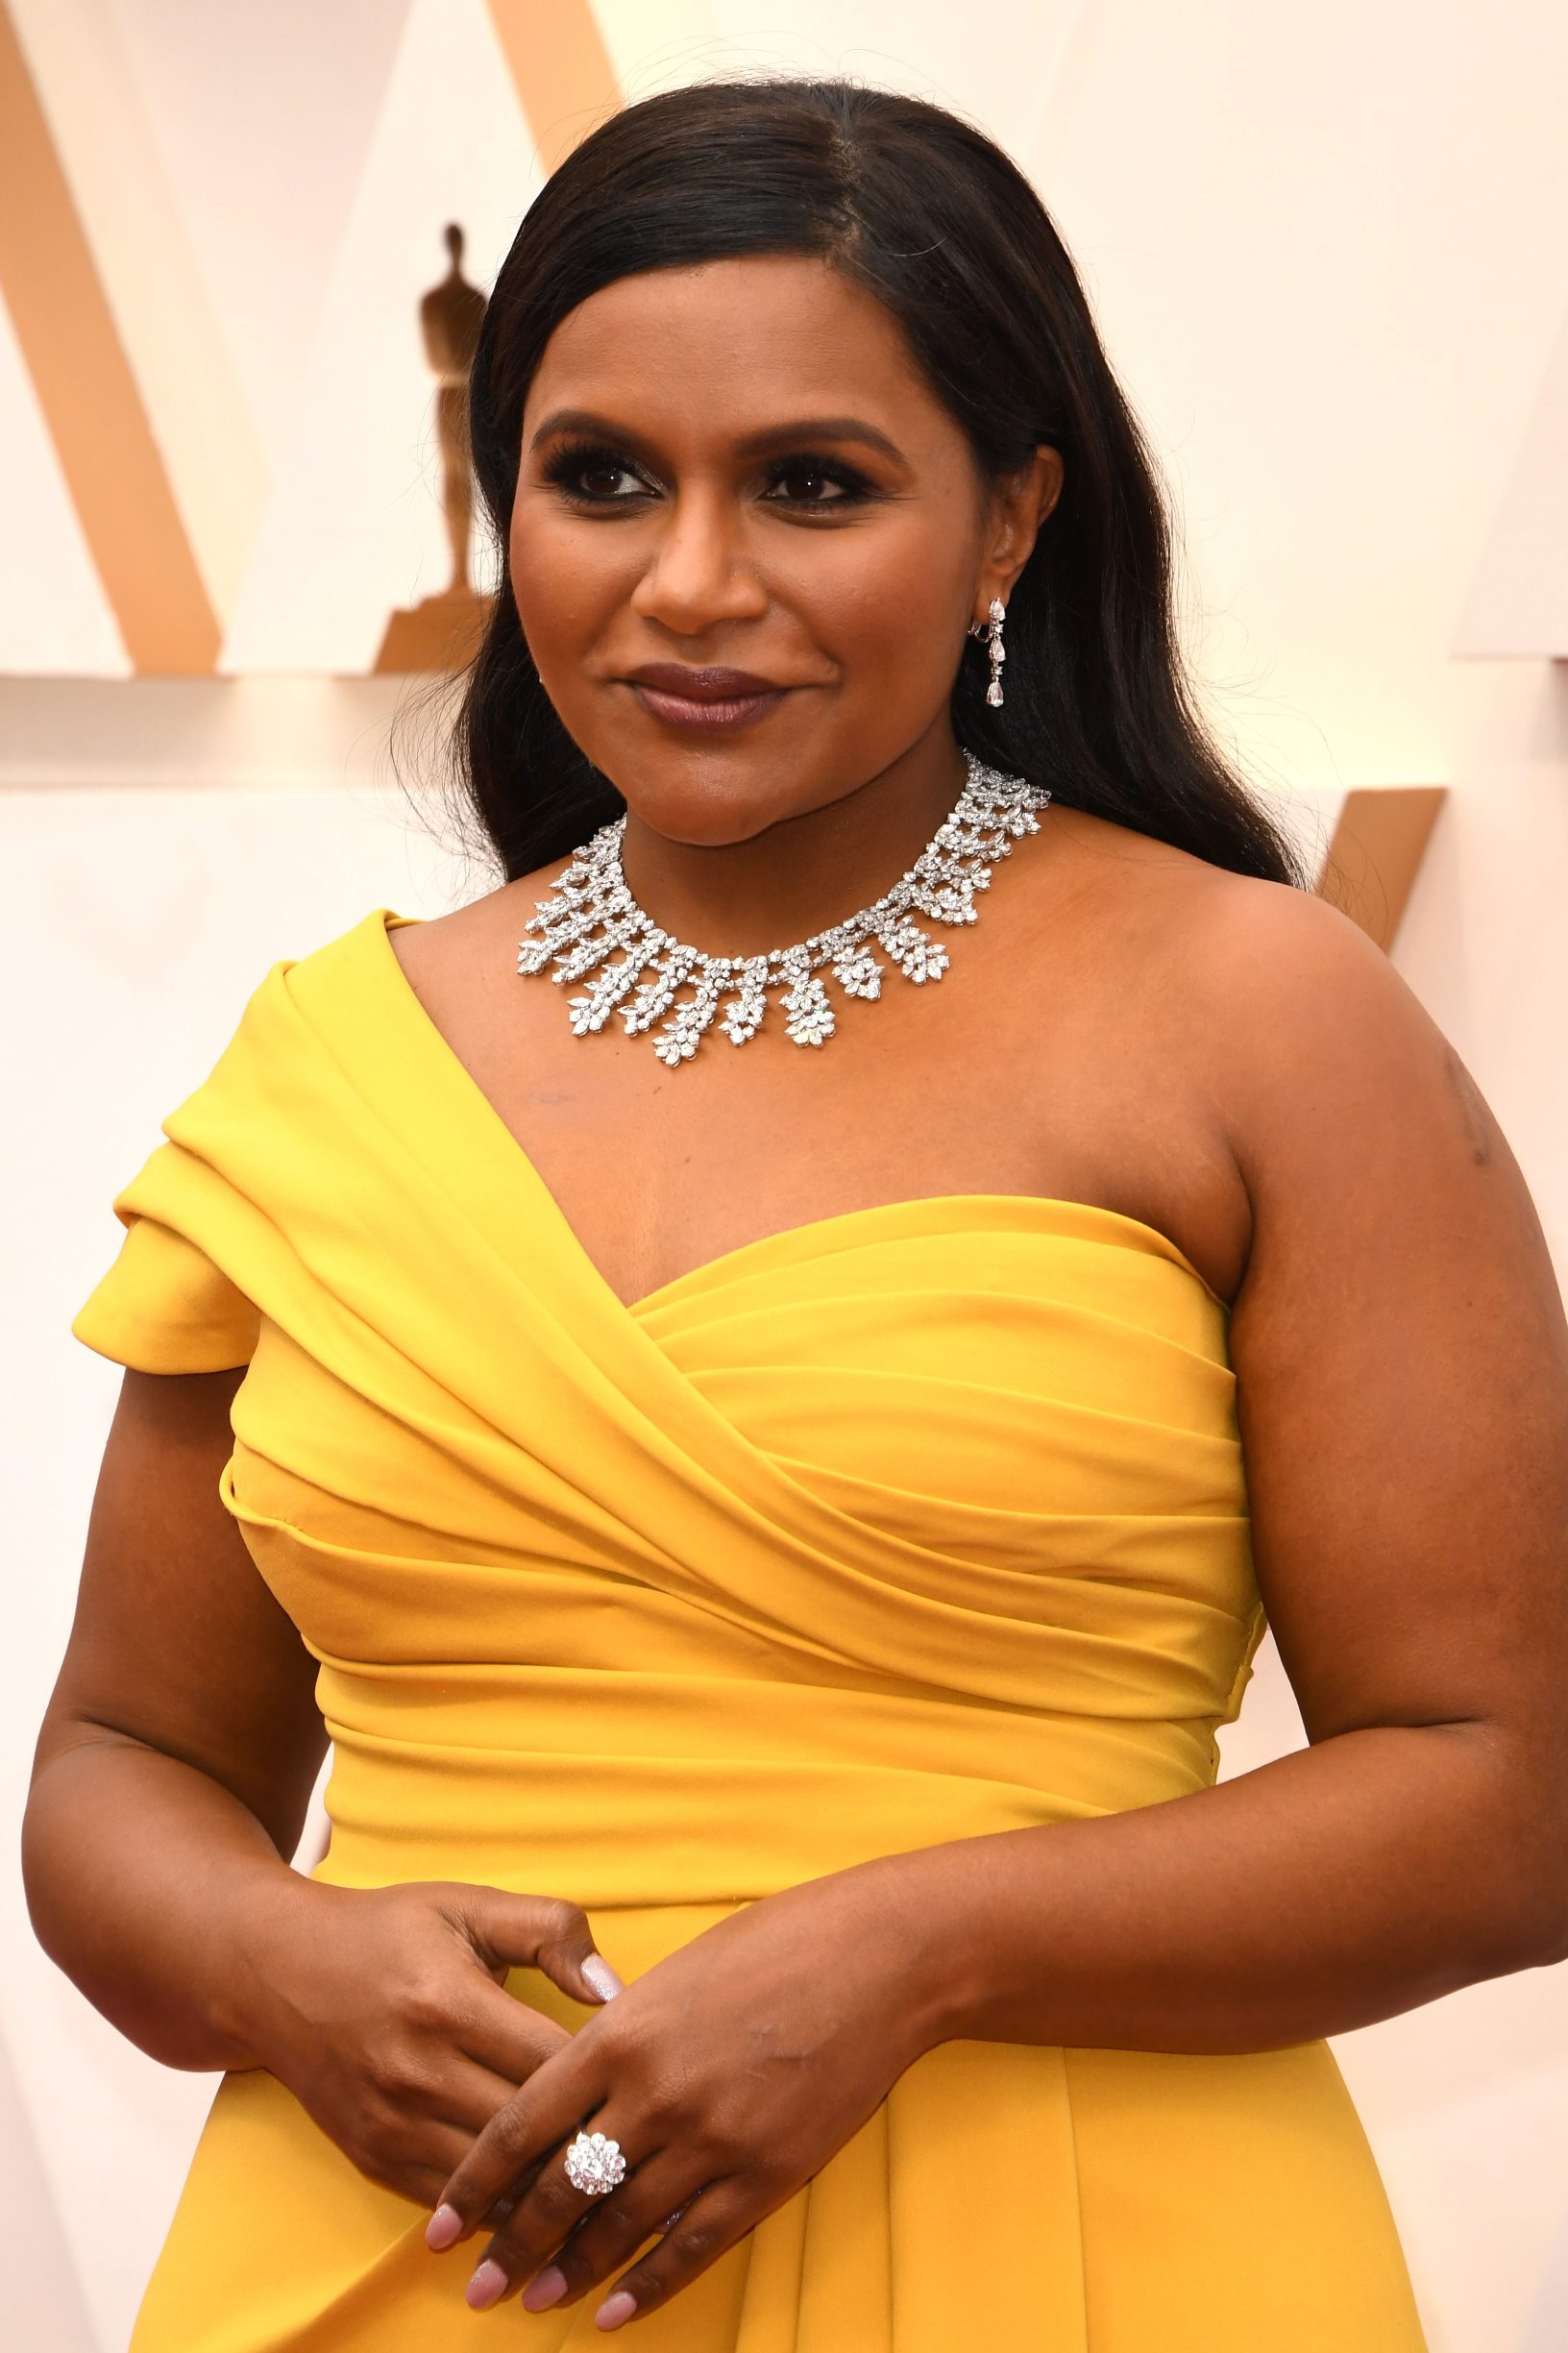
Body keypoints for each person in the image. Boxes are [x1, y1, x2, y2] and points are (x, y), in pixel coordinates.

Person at [24, 77, 1568, 2353]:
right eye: (601, 477)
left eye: (814, 485)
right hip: (414, 2253)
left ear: (1014, 518)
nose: (690, 582)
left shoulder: (1264, 1015)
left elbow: (1506, 1791)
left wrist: (914, 1949)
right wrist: (285, 1960)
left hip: (1070, 2245)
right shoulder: (330, 1071)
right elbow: (122, 1767)